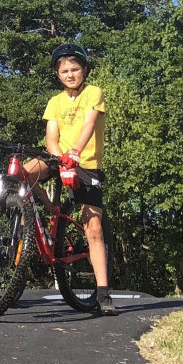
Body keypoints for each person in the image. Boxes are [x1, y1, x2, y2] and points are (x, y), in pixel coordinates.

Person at [25, 43, 116, 316]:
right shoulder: (55, 102)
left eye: (75, 69)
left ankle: (103, 293)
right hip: (59, 159)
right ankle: (34, 218)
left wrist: (75, 153)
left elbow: (89, 124)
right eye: (64, 70)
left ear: (84, 70)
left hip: (85, 164)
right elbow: (51, 137)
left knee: (94, 227)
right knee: (20, 174)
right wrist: (59, 157)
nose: (70, 74)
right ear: (57, 74)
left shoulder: (93, 93)